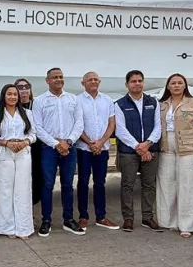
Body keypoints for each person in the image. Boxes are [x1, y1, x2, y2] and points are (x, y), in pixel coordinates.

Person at [32, 67, 85, 237]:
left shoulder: (73, 99)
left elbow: (79, 123)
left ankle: (68, 220)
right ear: (47, 80)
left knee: (68, 185)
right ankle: (46, 220)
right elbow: (38, 128)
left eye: (61, 77)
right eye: (55, 77)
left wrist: (68, 142)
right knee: (47, 185)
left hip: (69, 148)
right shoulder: (40, 101)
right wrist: (56, 144)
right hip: (49, 148)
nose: (58, 79)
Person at [156, 73, 193, 238]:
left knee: (187, 185)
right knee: (166, 184)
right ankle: (168, 221)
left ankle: (187, 224)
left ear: (185, 85)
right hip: (166, 146)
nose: (176, 85)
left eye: (179, 83)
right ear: (168, 86)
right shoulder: (162, 104)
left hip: (188, 147)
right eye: (173, 83)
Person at [113, 70, 162, 232]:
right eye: (133, 81)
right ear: (127, 84)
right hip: (129, 152)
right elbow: (120, 130)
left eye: (140, 80)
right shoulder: (120, 104)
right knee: (127, 185)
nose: (137, 84)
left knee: (149, 185)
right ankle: (128, 219)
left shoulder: (153, 102)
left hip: (151, 150)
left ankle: (147, 218)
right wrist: (138, 147)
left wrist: (147, 144)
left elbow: (158, 127)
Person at [0, 84, 37, 239]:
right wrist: (6, 143)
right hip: (4, 153)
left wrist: (25, 142)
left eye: (15, 94)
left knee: (23, 190)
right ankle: (8, 227)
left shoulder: (27, 113)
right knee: (5, 190)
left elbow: (33, 134)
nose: (12, 97)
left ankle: (23, 228)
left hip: (23, 153)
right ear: (4, 96)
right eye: (9, 94)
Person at [76, 71, 118, 230]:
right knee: (83, 182)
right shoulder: (77, 100)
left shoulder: (107, 100)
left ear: (99, 82)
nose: (93, 82)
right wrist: (90, 143)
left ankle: (101, 216)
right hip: (84, 149)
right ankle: (83, 216)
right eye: (89, 80)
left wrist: (100, 143)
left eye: (95, 79)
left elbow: (111, 124)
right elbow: (77, 125)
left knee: (100, 183)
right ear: (83, 83)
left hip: (103, 149)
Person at [16, 78, 44, 206]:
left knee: (37, 178)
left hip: (35, 147)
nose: (24, 90)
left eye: (26, 87)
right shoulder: (12, 106)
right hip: (18, 148)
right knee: (20, 180)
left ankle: (32, 206)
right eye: (20, 87)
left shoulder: (37, 105)